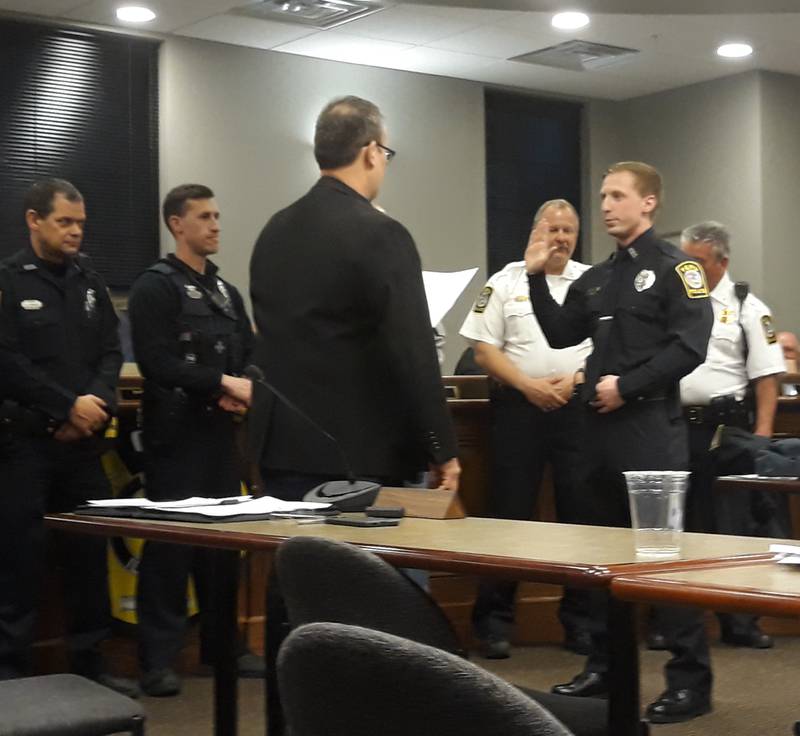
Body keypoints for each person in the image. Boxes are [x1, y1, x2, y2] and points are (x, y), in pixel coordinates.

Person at [524, 161, 714, 723]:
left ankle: (690, 682)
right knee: (602, 561)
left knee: (659, 563)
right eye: (603, 196)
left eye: (617, 196)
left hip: (649, 432)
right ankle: (607, 670)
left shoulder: (679, 269)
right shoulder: (601, 277)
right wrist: (535, 278)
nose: (605, 205)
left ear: (648, 202)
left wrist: (626, 387)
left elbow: (690, 347)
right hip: (596, 437)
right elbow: (561, 332)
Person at [249, 95, 460, 498]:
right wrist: (443, 449)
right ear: (370, 152)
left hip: (280, 450)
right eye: (387, 153)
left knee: (296, 561)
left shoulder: (273, 231)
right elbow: (412, 349)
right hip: (362, 456)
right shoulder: (382, 234)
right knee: (371, 564)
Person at [0, 178, 137, 695]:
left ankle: (89, 665)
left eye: (80, 222)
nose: (76, 231)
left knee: (87, 557)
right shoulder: (10, 282)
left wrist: (94, 404)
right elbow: (6, 361)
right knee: (19, 559)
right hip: (25, 445)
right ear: (34, 220)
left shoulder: (89, 283)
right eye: (65, 221)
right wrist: (65, 405)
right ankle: (10, 675)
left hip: (82, 445)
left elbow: (109, 351)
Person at [128, 184, 255, 696]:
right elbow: (156, 362)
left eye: (218, 215)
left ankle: (224, 647)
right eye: (204, 216)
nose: (216, 225)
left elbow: (248, 352)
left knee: (224, 547)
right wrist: (220, 383)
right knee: (171, 549)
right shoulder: (153, 288)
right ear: (176, 224)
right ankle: (156, 659)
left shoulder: (226, 292)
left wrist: (241, 385)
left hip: (220, 434)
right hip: (175, 436)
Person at [460, 198, 592, 659]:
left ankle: (581, 624)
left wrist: (574, 379)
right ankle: (493, 623)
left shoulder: (590, 282)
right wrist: (527, 384)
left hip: (577, 410)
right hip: (518, 409)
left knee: (582, 518)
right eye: (552, 229)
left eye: (568, 231)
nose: (560, 238)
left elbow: (610, 350)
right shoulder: (505, 281)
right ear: (534, 232)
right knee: (508, 516)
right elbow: (482, 350)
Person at [675, 220, 786, 647]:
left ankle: (740, 621)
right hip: (677, 427)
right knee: (680, 528)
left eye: (698, 262)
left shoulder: (747, 308)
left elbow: (766, 377)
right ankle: (675, 624)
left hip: (727, 431)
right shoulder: (676, 302)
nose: (690, 269)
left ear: (721, 262)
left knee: (731, 530)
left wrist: (761, 437)